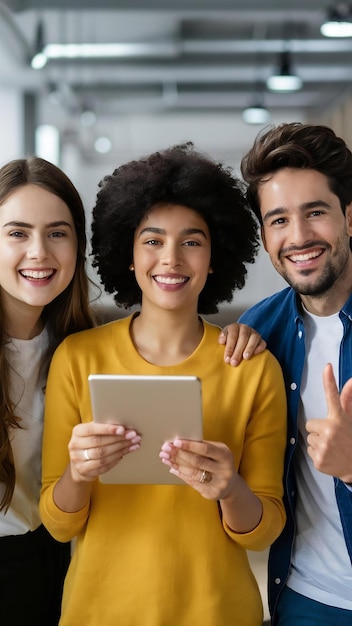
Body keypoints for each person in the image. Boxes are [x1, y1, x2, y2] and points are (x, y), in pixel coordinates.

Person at [39, 142, 287, 626]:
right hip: (100, 611)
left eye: (192, 241)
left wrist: (229, 487)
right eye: (152, 241)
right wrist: (80, 472)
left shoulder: (252, 367)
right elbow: (57, 522)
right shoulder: (78, 358)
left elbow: (263, 532)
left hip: (218, 611)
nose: (171, 258)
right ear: (128, 255)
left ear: (214, 257)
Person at [234, 122, 352, 625]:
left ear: (350, 216)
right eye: (278, 220)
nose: (298, 237)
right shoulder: (258, 331)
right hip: (305, 599)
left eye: (315, 213)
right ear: (264, 235)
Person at [0, 156, 94, 626]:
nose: (39, 252)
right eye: (17, 233)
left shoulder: (82, 349)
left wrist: (247, 334)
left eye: (57, 233)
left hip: (50, 562)